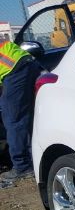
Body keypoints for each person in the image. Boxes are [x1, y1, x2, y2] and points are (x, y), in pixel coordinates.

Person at [0, 39, 42, 183]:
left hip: (15, 71)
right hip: (28, 63)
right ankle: (34, 157)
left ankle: (22, 166)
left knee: (14, 119)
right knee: (27, 117)